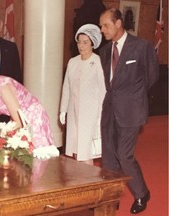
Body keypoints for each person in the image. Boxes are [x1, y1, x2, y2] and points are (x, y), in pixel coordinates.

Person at [99, 8, 159, 214]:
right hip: (109, 109)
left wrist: (135, 98)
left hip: (131, 110)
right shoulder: (105, 51)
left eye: (105, 25)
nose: (102, 30)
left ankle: (142, 194)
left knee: (124, 155)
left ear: (118, 23)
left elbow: (152, 77)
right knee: (108, 157)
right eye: (101, 26)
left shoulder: (142, 47)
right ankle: (112, 196)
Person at [59, 24, 106, 165]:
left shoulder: (97, 62)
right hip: (74, 112)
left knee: (86, 150)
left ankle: (89, 182)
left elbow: (103, 89)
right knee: (75, 149)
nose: (81, 45)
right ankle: (79, 181)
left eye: (85, 42)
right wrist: (63, 110)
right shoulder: (73, 62)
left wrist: (101, 114)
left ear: (93, 43)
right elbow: (66, 87)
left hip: (90, 114)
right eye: (79, 41)